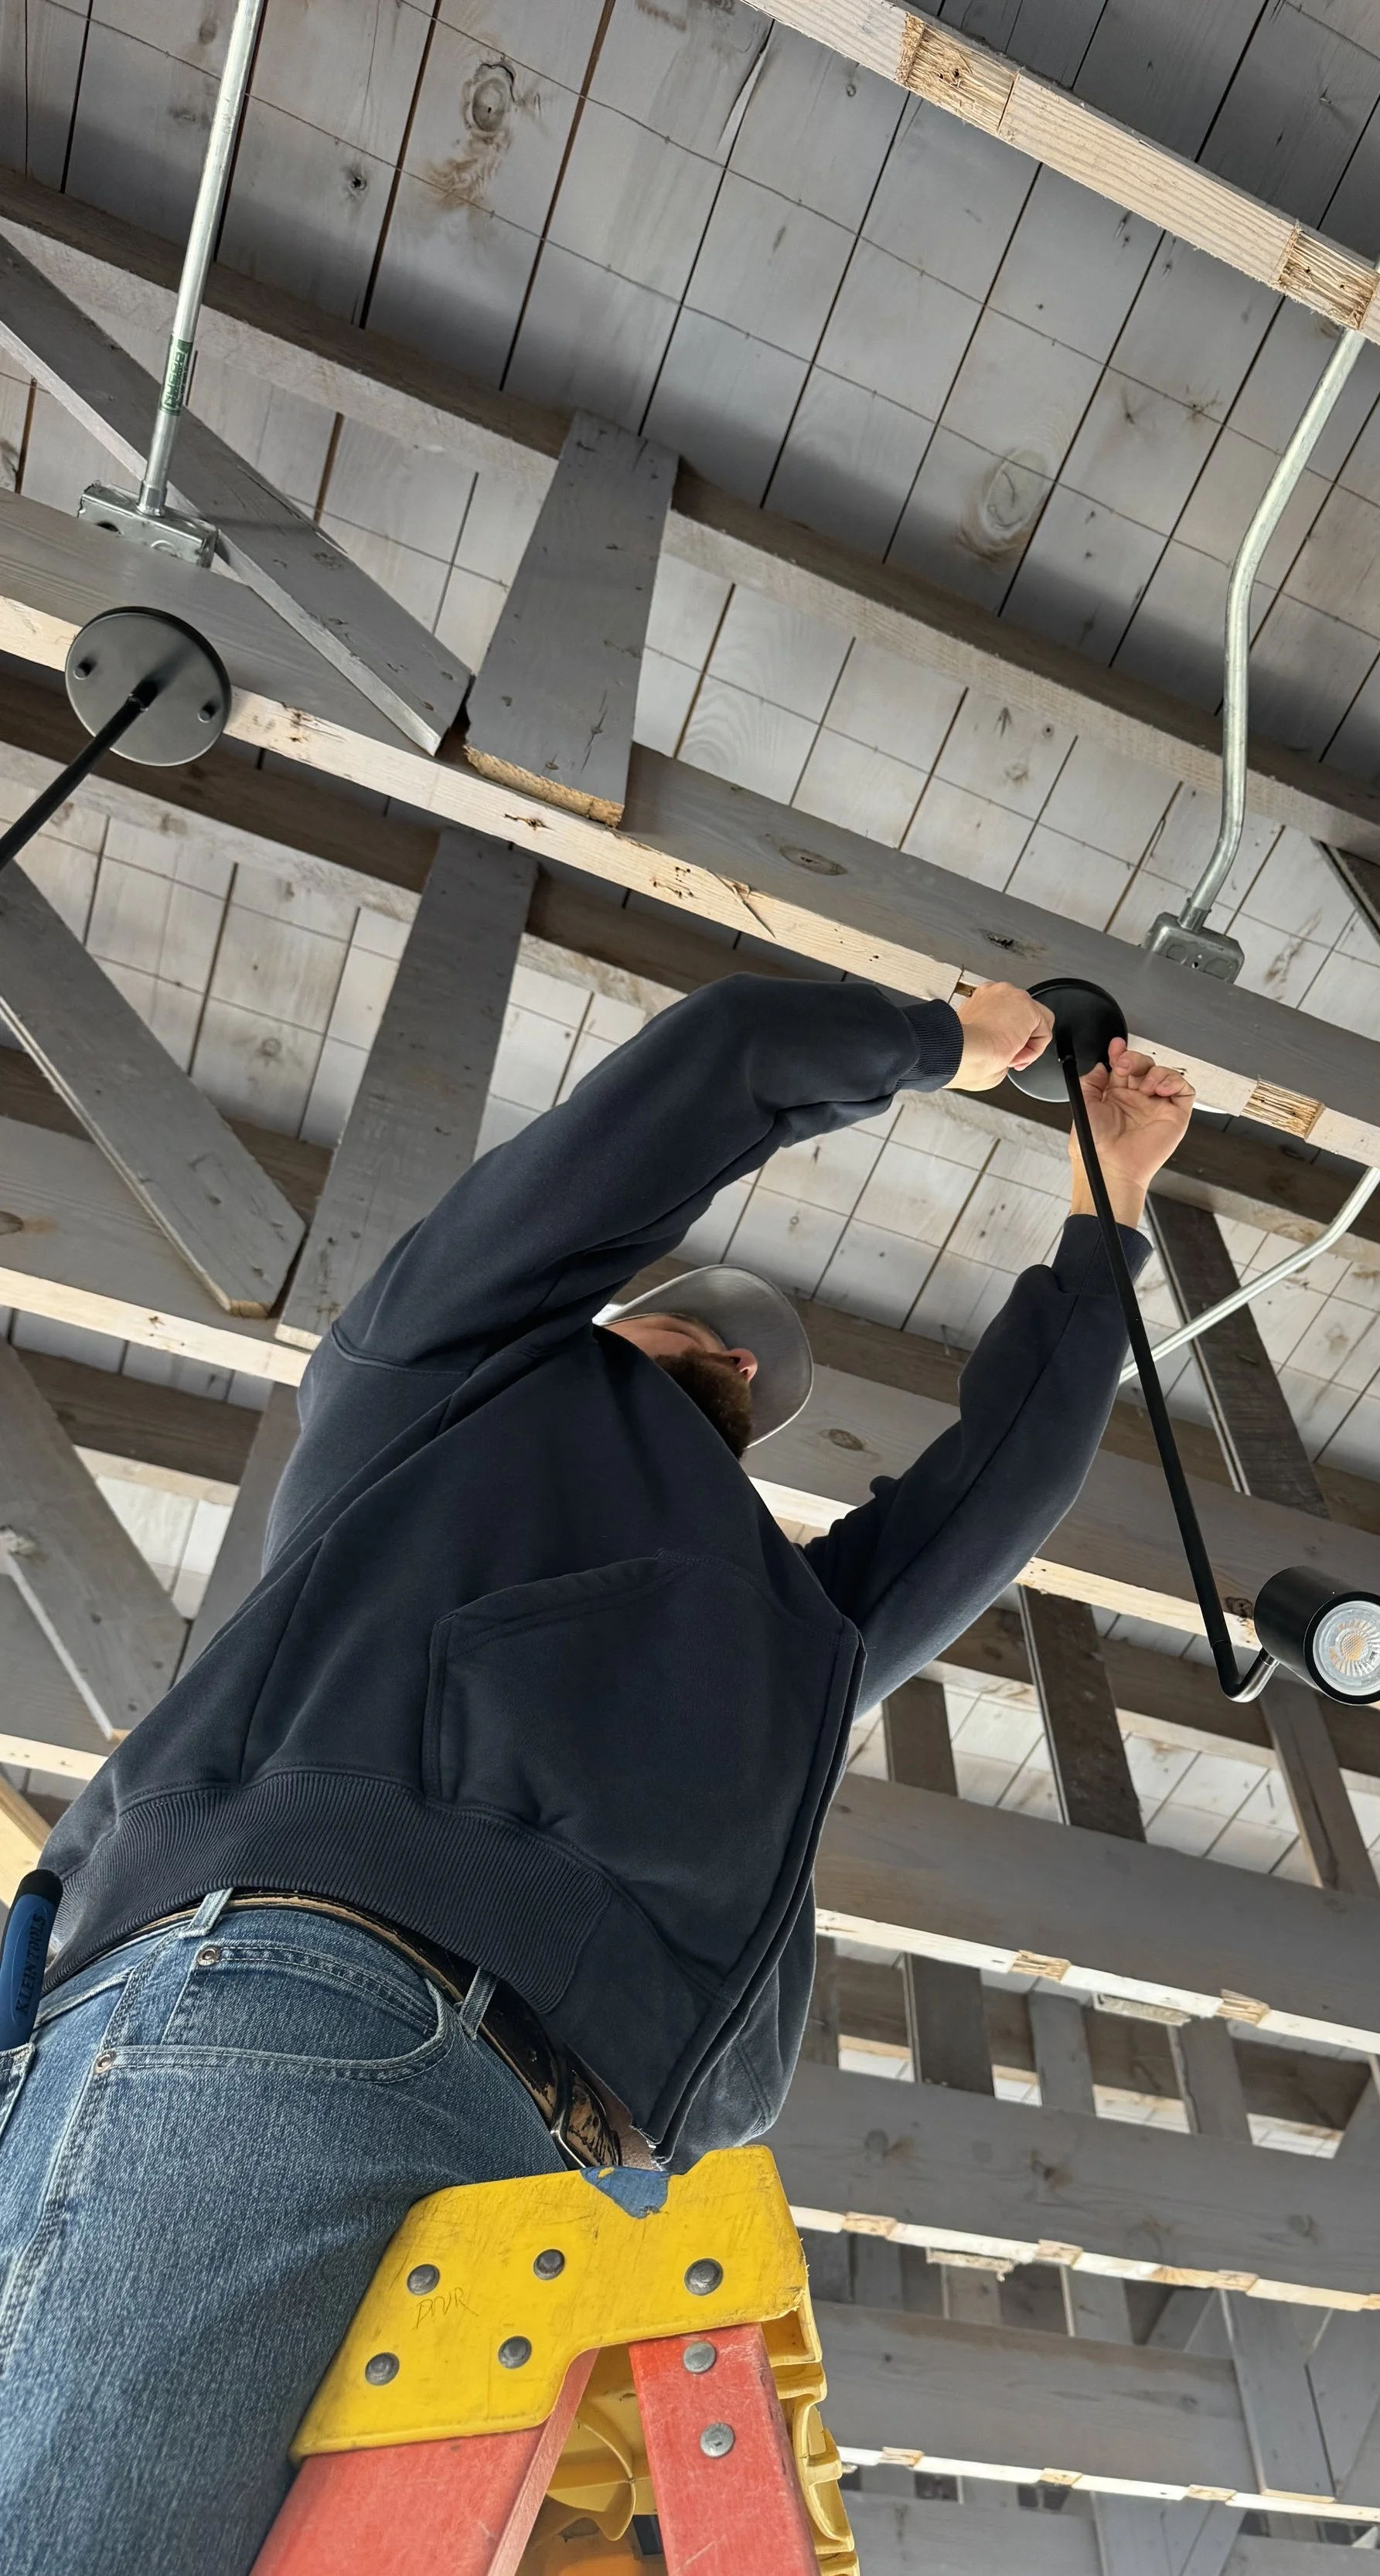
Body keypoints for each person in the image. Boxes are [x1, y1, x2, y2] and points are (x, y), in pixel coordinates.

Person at [0, 971, 1194, 2575]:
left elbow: (996, 1496)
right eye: (689, 1320)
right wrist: (946, 1040)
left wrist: (1107, 1216)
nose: (725, 1355)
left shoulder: (788, 1626)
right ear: (613, 1313)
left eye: (738, 1363)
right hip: (304, 1987)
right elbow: (707, 1076)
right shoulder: (432, 1383)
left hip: (562, 2153)